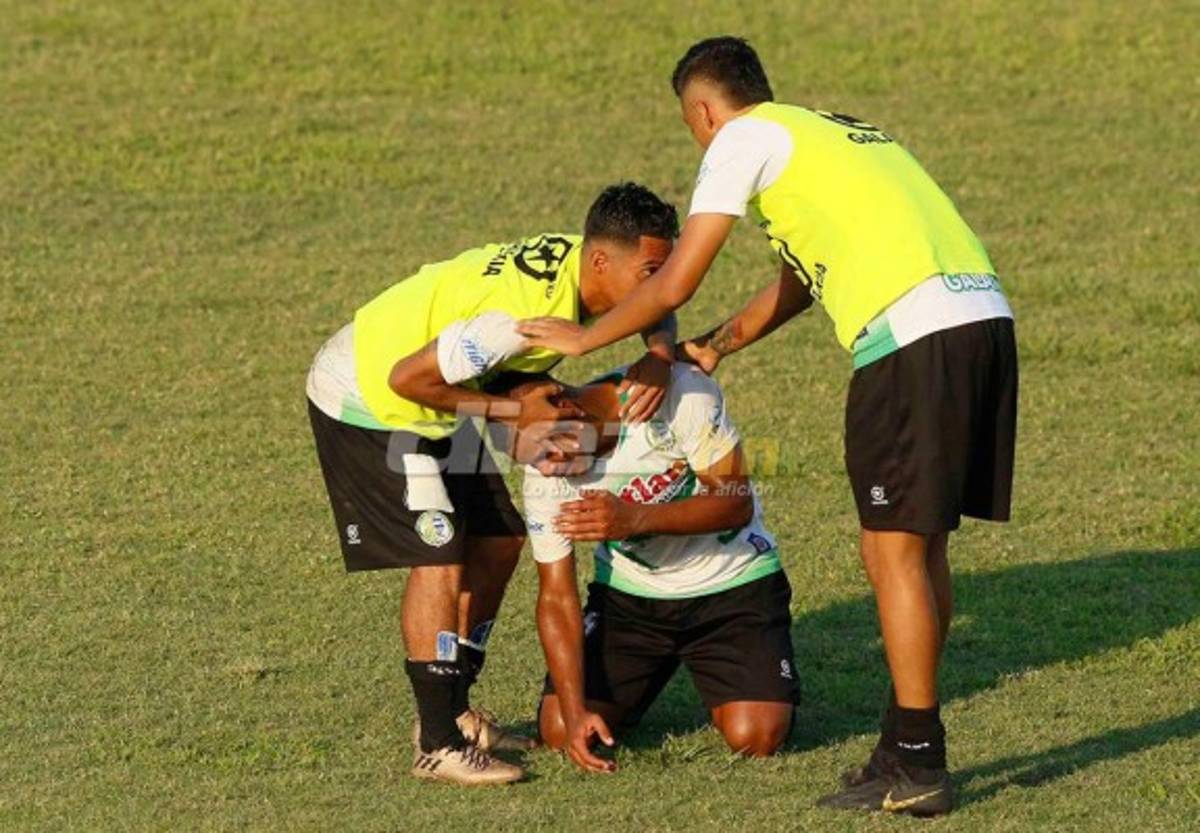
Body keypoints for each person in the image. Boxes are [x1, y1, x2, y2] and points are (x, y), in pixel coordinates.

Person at [518, 38, 1017, 815]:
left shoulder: (740, 138)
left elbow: (681, 271)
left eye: (694, 126)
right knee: (919, 545)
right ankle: (906, 742)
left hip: (912, 338)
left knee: (891, 549)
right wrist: (715, 344)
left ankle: (917, 757)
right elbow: (801, 277)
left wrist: (586, 337)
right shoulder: (832, 133)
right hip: (981, 317)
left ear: (704, 111)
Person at [305, 182, 680, 785]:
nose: (664, 287)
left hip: (436, 398)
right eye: (653, 272)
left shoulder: (588, 264)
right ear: (602, 262)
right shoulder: (513, 320)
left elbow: (661, 299)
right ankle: (436, 744)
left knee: (497, 538)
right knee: (440, 553)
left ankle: (455, 710)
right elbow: (409, 380)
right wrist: (513, 413)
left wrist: (658, 352)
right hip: (369, 397)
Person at [519, 363, 797, 773]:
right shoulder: (543, 472)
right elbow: (556, 596)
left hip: (733, 584)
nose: (546, 468)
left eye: (547, 448)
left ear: (566, 405)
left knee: (756, 737)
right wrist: (575, 710)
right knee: (560, 729)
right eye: (530, 457)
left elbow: (736, 502)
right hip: (630, 602)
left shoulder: (675, 392)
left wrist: (634, 519)